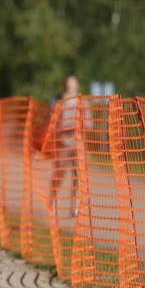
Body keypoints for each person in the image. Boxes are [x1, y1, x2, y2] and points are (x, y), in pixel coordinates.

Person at [49, 73, 80, 219]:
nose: (71, 86)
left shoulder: (82, 101)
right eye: (69, 83)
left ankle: (74, 206)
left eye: (73, 83)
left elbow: (89, 122)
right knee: (59, 174)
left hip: (77, 142)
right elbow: (53, 119)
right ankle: (53, 201)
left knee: (77, 176)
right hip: (63, 142)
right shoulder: (59, 101)